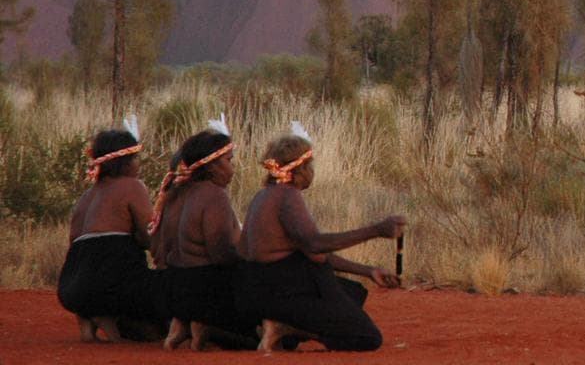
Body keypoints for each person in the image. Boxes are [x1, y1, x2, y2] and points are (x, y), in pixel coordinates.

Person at [234, 129, 405, 352]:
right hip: (282, 289)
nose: (312, 172)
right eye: (310, 166)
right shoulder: (287, 196)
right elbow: (315, 244)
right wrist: (376, 230)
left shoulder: (263, 195)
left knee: (353, 292)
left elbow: (310, 252)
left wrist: (368, 271)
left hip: (258, 291)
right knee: (367, 337)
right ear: (301, 169)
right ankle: (288, 328)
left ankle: (281, 327)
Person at [150, 127, 258, 350]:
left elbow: (158, 252)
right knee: (262, 331)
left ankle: (183, 324)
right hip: (203, 292)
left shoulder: (174, 195)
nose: (233, 168)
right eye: (229, 160)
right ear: (212, 166)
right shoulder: (214, 195)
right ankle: (206, 328)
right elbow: (221, 255)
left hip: (173, 291)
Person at [57, 126, 165, 342]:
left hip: (71, 287)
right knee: (166, 295)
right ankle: (107, 315)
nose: (139, 164)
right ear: (124, 162)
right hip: (110, 284)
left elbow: (77, 244)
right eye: (136, 158)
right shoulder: (132, 186)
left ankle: (89, 317)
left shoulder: (86, 197)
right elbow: (149, 236)